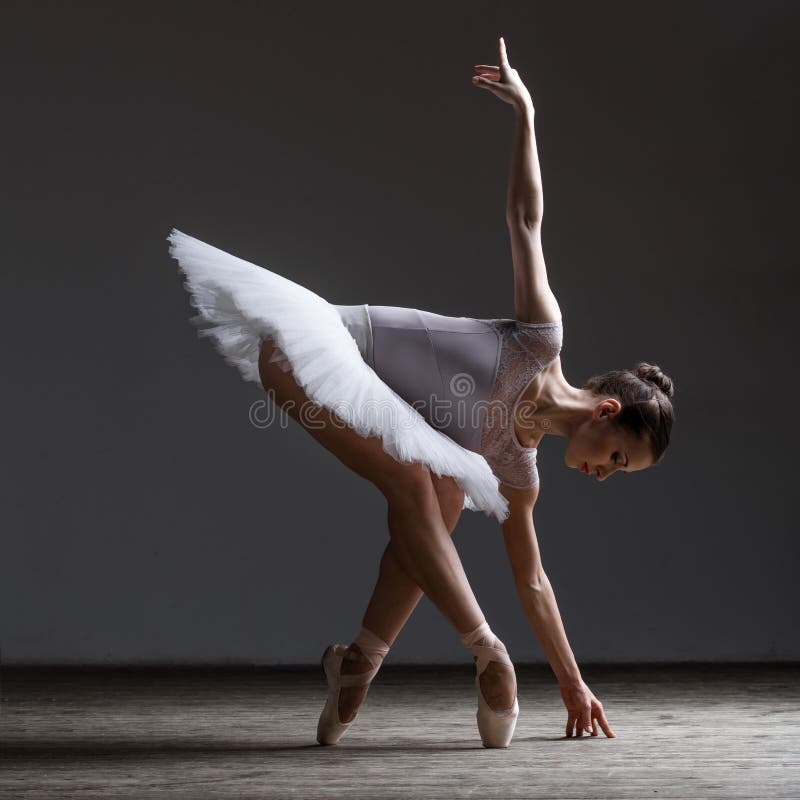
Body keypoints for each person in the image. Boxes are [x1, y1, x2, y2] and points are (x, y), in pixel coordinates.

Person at [167, 36, 675, 748]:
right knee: (420, 483)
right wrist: (526, 115)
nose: (603, 473)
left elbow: (535, 582)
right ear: (606, 411)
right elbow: (526, 222)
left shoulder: (517, 473)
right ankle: (485, 651)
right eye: (618, 458)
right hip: (313, 348)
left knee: (438, 498)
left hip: (381, 407)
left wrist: (572, 681)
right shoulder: (539, 340)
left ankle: (357, 664)